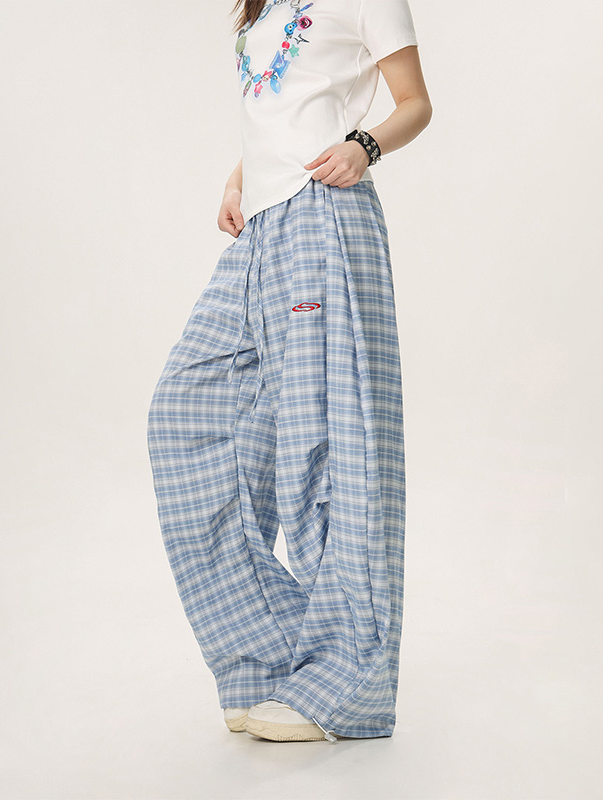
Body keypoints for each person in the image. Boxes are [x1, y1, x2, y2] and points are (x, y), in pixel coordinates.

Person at [146, 0, 432, 742]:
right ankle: (270, 658)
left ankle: (349, 684)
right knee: (186, 412)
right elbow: (277, 113)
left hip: (323, 215)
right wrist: (237, 180)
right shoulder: (262, 7)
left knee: (332, 445)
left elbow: (415, 102)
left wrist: (364, 146)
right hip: (261, 227)